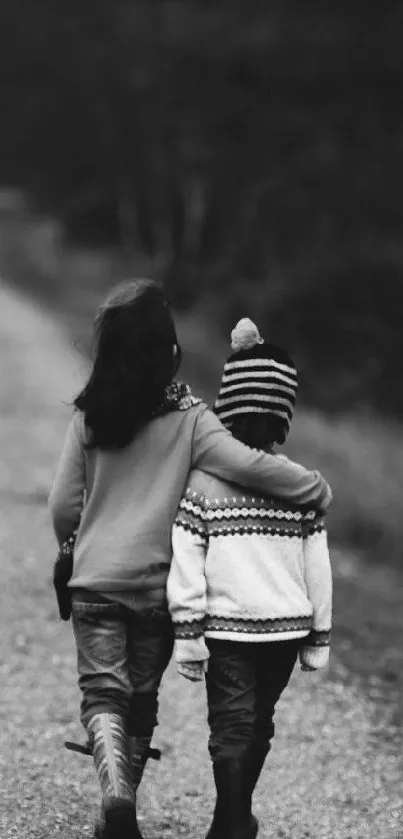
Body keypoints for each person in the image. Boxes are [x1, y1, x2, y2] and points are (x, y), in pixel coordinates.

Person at [49, 284, 332, 839]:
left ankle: (117, 801)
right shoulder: (192, 419)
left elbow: (64, 505)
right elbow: (249, 465)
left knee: (103, 692)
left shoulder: (89, 417)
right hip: (157, 589)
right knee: (141, 698)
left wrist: (73, 544)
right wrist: (314, 487)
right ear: (168, 352)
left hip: (94, 584)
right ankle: (121, 802)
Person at [167, 318, 333, 839]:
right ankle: (232, 818)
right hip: (285, 631)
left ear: (226, 409)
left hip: (228, 631)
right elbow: (317, 568)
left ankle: (231, 819)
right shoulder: (301, 489)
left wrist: (188, 632)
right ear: (284, 414)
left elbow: (185, 556)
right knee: (259, 722)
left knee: (232, 726)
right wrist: (319, 635)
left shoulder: (202, 485)